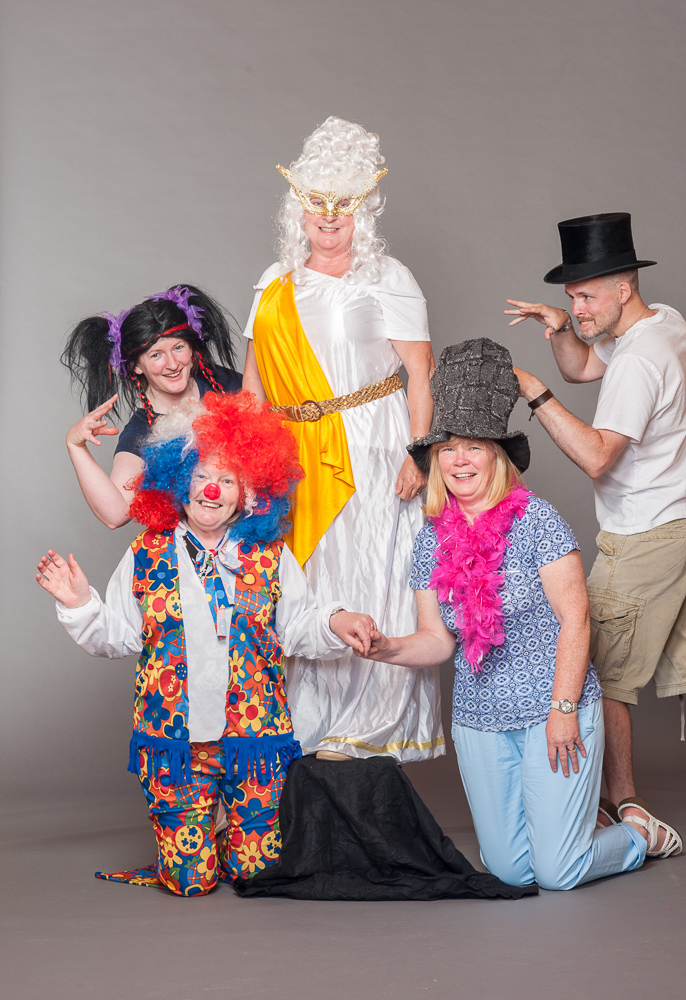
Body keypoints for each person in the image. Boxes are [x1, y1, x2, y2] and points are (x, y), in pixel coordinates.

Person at [36, 391, 375, 895]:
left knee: (257, 876)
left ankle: (229, 840)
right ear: (179, 481)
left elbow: (297, 625)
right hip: (175, 744)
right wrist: (79, 602)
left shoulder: (269, 553)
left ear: (249, 493)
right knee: (189, 882)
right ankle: (193, 848)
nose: (212, 490)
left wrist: (336, 621)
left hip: (255, 741)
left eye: (227, 480)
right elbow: (118, 637)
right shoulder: (147, 551)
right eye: (200, 476)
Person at [364, 338, 657, 891]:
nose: (460, 460)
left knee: (557, 872)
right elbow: (437, 640)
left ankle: (639, 834)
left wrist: (563, 709)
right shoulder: (430, 539)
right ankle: (572, 825)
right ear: (435, 461)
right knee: (508, 870)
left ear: (497, 456)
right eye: (448, 449)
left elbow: (577, 620)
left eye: (474, 447)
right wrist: (388, 648)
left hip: (555, 709)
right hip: (480, 719)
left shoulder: (537, 521)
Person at [241, 115, 442, 762]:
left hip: (374, 444)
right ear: (297, 208)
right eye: (317, 203)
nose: (329, 216)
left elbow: (419, 374)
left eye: (343, 205)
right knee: (309, 578)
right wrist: (247, 466)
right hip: (293, 453)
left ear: (364, 211)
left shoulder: (388, 277)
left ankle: (370, 726)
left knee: (373, 568)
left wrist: (419, 452)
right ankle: (311, 724)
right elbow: (252, 390)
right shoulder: (274, 283)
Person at [505, 212, 683, 858]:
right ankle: (621, 803)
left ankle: (623, 807)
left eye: (585, 297)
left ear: (623, 289)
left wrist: (536, 394)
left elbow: (598, 456)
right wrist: (561, 330)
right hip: (675, 519)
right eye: (571, 297)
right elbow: (584, 367)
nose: (577, 308)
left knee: (599, 670)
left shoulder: (639, 360)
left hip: (643, 533)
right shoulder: (662, 322)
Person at [61, 284, 241, 529]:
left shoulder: (225, 383)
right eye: (156, 355)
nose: (172, 364)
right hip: (197, 548)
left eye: (178, 348)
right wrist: (75, 446)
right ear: (136, 366)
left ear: (191, 349)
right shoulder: (141, 433)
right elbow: (115, 515)